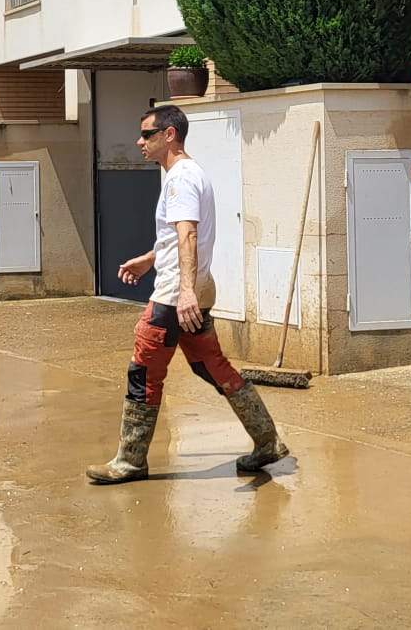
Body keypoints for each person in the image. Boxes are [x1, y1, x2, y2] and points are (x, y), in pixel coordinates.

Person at [84, 105, 290, 485]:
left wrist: (184, 293)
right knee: (211, 366)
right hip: (191, 288)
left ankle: (130, 460)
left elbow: (189, 234)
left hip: (174, 295)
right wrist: (150, 259)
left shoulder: (179, 178)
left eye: (147, 134)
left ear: (169, 135)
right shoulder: (189, 175)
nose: (139, 142)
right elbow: (176, 237)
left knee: (144, 370)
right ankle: (268, 442)